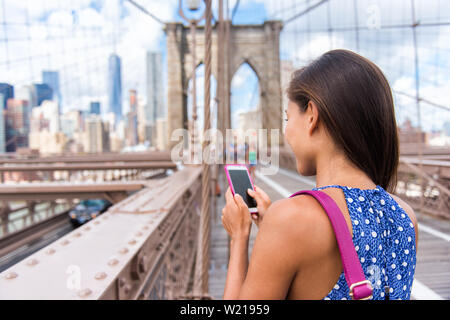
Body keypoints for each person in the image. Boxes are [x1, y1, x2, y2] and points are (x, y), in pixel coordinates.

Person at [221, 49, 418, 300]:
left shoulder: (290, 219)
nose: (287, 132)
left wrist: (239, 237)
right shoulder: (405, 217)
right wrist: (271, 228)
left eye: (287, 118)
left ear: (312, 116)